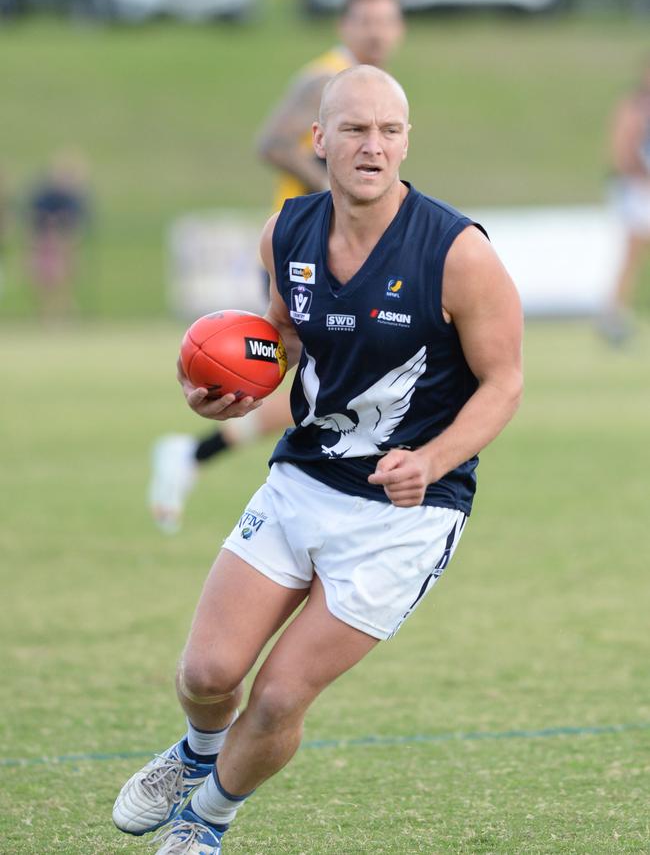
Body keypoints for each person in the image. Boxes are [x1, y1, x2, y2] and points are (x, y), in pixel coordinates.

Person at [113, 65, 523, 854]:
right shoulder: (286, 232)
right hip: (305, 475)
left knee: (274, 698)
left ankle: (206, 821)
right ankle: (197, 751)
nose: (374, 147)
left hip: (405, 511)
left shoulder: (457, 252)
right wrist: (229, 393)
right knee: (206, 674)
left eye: (391, 131)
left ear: (407, 141)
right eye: (357, 129)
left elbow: (505, 382)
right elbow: (285, 337)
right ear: (320, 140)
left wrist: (432, 460)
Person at [148, 0, 405, 533]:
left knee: (340, 378)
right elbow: (271, 141)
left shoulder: (374, 95)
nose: (377, 31)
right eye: (366, 20)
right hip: (310, 250)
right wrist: (337, 195)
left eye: (387, 20)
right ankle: (204, 459)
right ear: (345, 23)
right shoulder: (326, 78)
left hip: (344, 247)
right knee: (326, 377)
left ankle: (196, 457)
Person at [602, 59, 650, 344]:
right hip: (637, 190)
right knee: (632, 253)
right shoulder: (634, 107)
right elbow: (622, 152)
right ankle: (614, 315)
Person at [24, 149, 90, 321]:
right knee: (43, 280)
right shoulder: (44, 195)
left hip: (64, 243)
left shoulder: (74, 198)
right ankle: (46, 314)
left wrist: (69, 243)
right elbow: (34, 219)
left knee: (65, 279)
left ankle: (64, 312)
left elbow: (77, 225)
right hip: (44, 242)